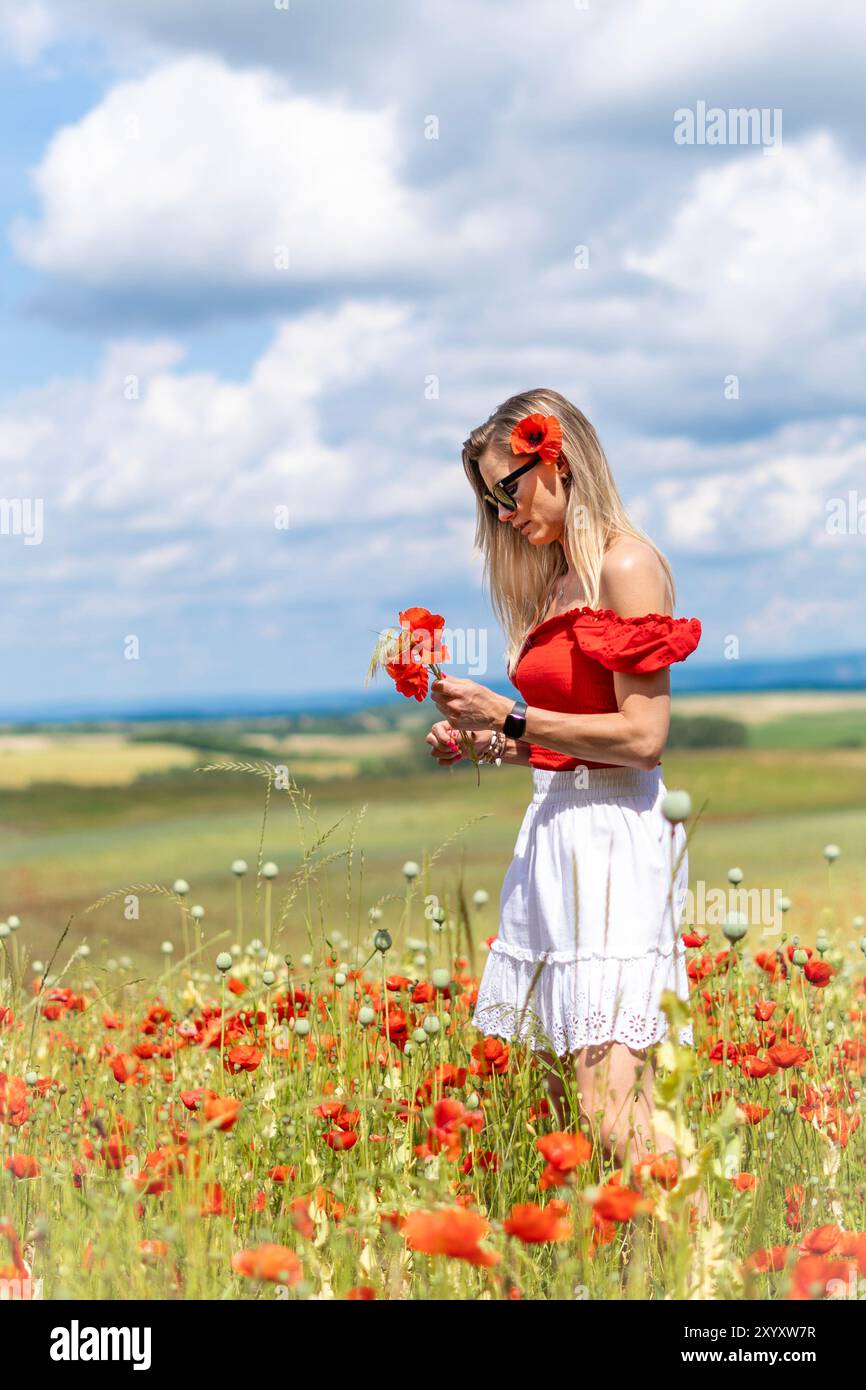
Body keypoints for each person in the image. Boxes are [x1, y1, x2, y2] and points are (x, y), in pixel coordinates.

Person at [426, 387, 705, 1210]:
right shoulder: (553, 585)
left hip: (615, 841)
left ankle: (710, 1268)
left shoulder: (625, 564)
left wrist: (508, 711)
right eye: (488, 500)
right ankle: (648, 1271)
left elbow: (642, 738)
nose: (503, 513)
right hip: (555, 831)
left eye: (507, 489)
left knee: (608, 1108)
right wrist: (485, 740)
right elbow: (567, 737)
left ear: (559, 458)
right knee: (571, 1106)